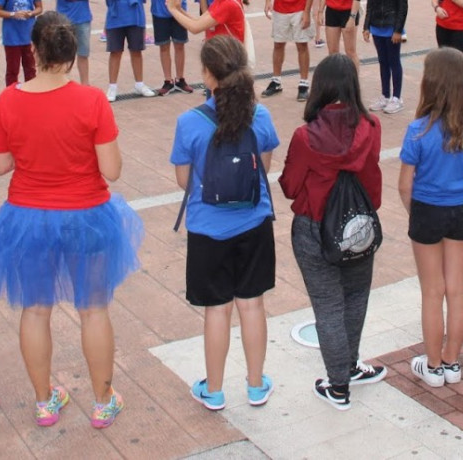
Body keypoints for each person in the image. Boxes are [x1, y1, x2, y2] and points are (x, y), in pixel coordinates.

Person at [0, 12, 143, 429]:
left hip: (28, 217)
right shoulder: (92, 101)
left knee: (34, 311)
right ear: (70, 55)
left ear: (33, 50)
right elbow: (113, 169)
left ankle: (45, 400)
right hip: (86, 214)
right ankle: (103, 400)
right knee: (93, 309)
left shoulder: (8, 100)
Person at [170, 35, 278, 411]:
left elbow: (184, 181)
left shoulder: (190, 122)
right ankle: (255, 385)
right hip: (254, 222)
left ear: (207, 75)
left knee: (217, 309)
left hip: (208, 229)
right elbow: (264, 169)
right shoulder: (260, 116)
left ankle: (214, 390)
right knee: (252, 305)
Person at [279, 54, 386, 411]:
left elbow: (291, 186)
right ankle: (350, 366)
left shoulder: (305, 135)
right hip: (358, 225)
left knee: (327, 306)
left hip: (313, 226)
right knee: (356, 297)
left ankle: (338, 384)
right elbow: (372, 181)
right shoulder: (371, 126)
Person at [398, 47, 463, 388]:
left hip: (426, 210)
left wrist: (416, 214)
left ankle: (433, 365)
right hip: (460, 211)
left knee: (431, 291)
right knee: (457, 289)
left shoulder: (418, 130)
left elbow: (404, 185)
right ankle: (453, 360)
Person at [261, 0, 315, 102]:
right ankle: (276, 81)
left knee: (302, 44)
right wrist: (267, 2)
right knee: (278, 44)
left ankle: (304, 83)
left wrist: (307, 11)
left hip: (300, 8)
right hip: (280, 9)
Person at [104, 0, 156, 102]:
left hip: (135, 16)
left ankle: (139, 84)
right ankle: (112, 87)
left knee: (136, 51)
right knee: (115, 52)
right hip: (115, 17)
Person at [363, 0, 407, 114]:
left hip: (391, 27)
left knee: (394, 61)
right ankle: (385, 96)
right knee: (383, 62)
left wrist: (398, 30)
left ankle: (397, 98)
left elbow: (403, 8)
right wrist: (366, 27)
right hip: (376, 27)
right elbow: (370, 6)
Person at [0, 0, 42, 87]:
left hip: (28, 35)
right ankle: (11, 94)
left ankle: (31, 92)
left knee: (30, 69)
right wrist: (13, 14)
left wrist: (31, 13)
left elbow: (39, 8)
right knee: (12, 69)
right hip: (12, 37)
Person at [151, 0, 193, 96]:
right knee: (164, 46)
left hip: (179, 10)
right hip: (159, 12)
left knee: (179, 45)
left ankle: (180, 79)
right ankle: (168, 81)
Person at [166, 0, 246, 43]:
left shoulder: (228, 4)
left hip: (227, 56)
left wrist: (173, 9)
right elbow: (198, 21)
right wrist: (179, 9)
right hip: (220, 52)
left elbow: (195, 28)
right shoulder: (220, 1)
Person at [317, 0, 360, 70]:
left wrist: (352, 18)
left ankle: (354, 79)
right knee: (332, 52)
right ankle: (335, 78)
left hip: (349, 11)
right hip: (331, 10)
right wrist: (320, 11)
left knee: (350, 52)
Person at [56, 0, 91, 85]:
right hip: (63, 19)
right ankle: (61, 83)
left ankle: (85, 84)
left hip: (82, 18)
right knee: (63, 55)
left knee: (83, 54)